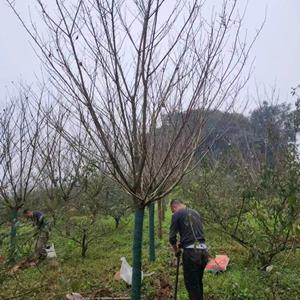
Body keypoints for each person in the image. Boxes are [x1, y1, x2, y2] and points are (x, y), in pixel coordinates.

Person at [169, 199, 209, 300]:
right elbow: (194, 233)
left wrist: (176, 251)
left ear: (174, 207)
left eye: (172, 211)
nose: (173, 213)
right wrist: (182, 243)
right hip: (203, 252)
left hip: (191, 255)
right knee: (198, 283)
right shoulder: (196, 213)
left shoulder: (176, 214)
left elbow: (172, 238)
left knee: (192, 286)